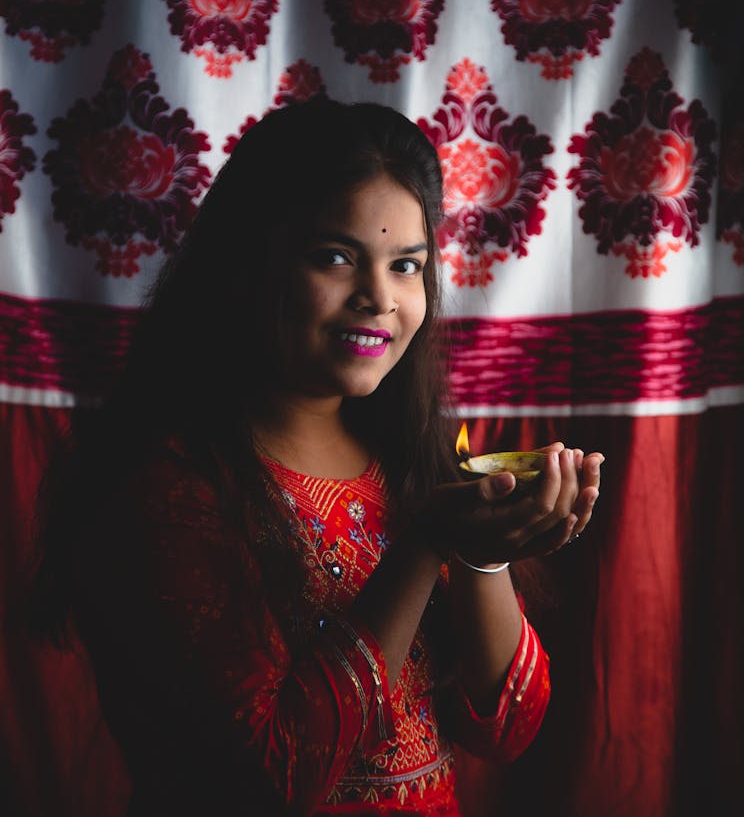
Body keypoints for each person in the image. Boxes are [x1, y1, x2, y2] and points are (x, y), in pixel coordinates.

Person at [28, 96, 604, 816]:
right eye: (335, 257)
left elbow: (508, 726)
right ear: (249, 261)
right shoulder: (168, 484)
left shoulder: (405, 457)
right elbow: (274, 777)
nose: (379, 297)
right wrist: (425, 542)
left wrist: (482, 555)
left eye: (405, 266)